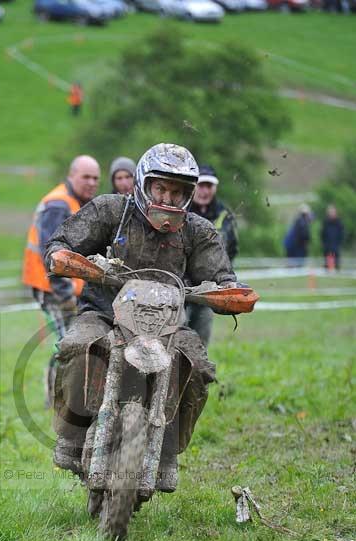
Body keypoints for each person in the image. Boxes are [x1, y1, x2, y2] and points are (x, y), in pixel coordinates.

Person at [45, 143, 237, 493]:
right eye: (161, 188)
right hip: (104, 311)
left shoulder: (197, 230)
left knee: (196, 365)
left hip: (166, 325)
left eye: (177, 191)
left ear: (189, 194)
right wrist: (62, 255)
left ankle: (166, 452)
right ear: (144, 184)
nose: (167, 197)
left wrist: (230, 290)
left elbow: (221, 274)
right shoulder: (111, 210)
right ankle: (72, 435)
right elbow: (62, 239)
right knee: (77, 346)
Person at [22, 155, 100, 404]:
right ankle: (57, 397)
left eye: (95, 178)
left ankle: (61, 396)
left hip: (64, 287)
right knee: (71, 342)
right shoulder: (59, 204)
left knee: (70, 340)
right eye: (85, 177)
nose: (91, 183)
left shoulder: (77, 202)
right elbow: (52, 256)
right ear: (71, 175)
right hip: (52, 287)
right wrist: (64, 294)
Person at [187, 164, 238, 346]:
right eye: (201, 185)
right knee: (175, 338)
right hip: (181, 287)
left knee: (200, 343)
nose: (204, 191)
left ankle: (196, 374)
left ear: (215, 188)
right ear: (193, 186)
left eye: (209, 186)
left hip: (209, 291)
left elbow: (232, 249)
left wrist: (222, 279)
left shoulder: (225, 215)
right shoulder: (181, 210)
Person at [321, 204, 344, 270]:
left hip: (336, 245)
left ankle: (337, 270)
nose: (331, 213)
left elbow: (342, 234)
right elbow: (322, 233)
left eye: (333, 212)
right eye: (330, 212)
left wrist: (339, 243)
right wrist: (324, 243)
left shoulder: (339, 222)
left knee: (336, 263)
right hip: (327, 246)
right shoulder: (325, 222)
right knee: (327, 263)